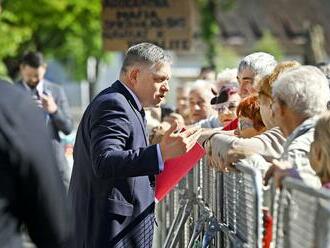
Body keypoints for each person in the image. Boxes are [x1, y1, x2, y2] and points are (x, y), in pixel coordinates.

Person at [69, 43, 201, 248]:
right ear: (134, 75)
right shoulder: (114, 104)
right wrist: (160, 153)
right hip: (110, 232)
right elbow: (104, 161)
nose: (166, 87)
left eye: (167, 80)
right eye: (159, 79)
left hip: (118, 229)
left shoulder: (126, 103)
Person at [0, 80, 72, 248]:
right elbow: (53, 226)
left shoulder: (54, 92)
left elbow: (68, 127)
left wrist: (54, 110)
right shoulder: (13, 102)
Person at [201, 61, 300, 172]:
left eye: (261, 101)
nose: (241, 89)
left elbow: (237, 148)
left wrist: (212, 141)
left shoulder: (287, 132)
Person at [264, 66, 330, 188]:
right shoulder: (322, 133)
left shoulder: (298, 150)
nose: (272, 112)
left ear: (282, 108)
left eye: (274, 103)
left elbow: (306, 202)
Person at [16, 51, 73, 188]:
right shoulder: (13, 92)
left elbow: (68, 128)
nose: (34, 80)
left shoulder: (57, 91)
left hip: (55, 164)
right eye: (29, 76)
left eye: (37, 76)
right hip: (23, 162)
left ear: (44, 69)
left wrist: (54, 110)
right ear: (22, 69)